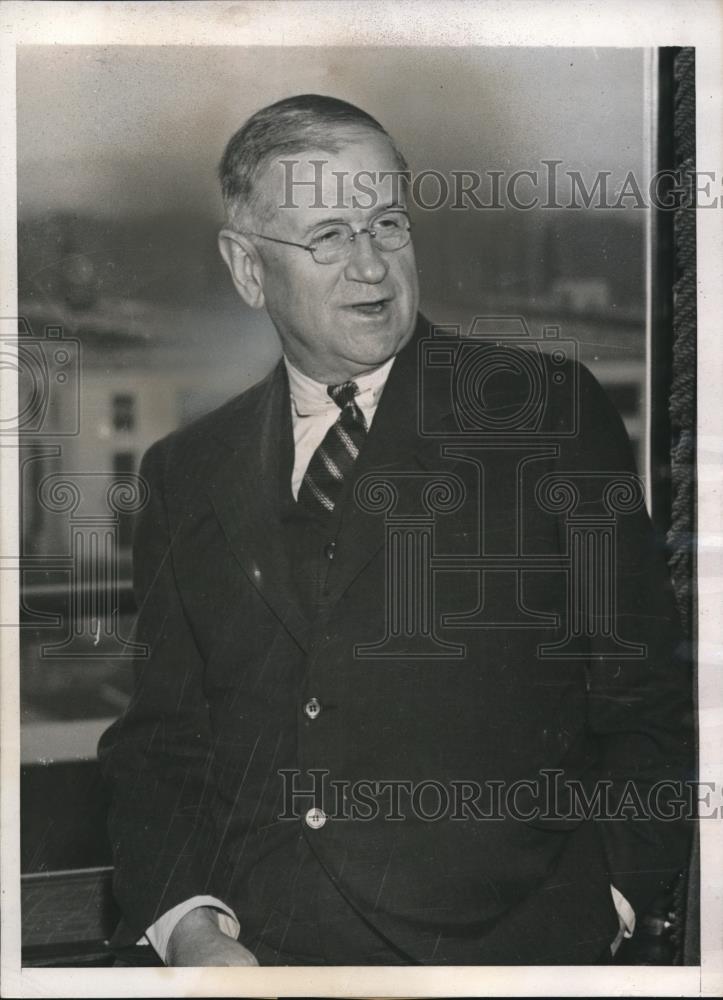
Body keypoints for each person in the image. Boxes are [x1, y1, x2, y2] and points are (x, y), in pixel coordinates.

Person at [98, 94, 693, 967]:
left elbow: (645, 700)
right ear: (247, 268)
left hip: (510, 955)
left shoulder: (547, 418)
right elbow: (162, 741)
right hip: (264, 959)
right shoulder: (186, 471)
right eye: (328, 235)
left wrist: (606, 900)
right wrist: (188, 925)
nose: (370, 266)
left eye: (386, 224)